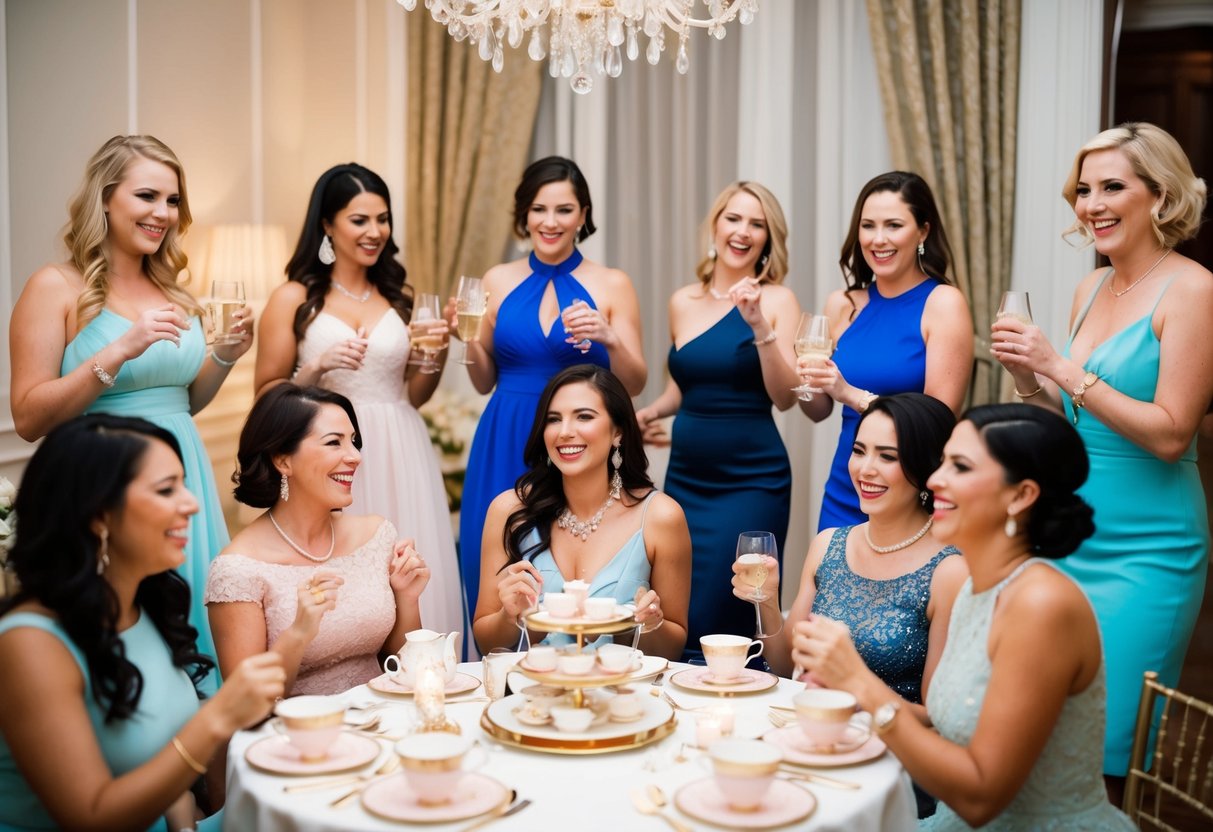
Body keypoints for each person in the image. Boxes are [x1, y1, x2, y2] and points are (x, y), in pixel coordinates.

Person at [992, 122, 1211, 784]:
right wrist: (1029, 374)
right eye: (1083, 190)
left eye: (1112, 186)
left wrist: (1059, 365)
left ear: (1161, 195)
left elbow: (1173, 433)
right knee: (1045, 730)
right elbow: (1066, 422)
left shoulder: (1195, 290)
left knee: (1104, 751)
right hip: (1071, 533)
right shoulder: (1088, 290)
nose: (1091, 205)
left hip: (1149, 548)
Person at [794, 405, 1135, 830]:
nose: (935, 479)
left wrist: (859, 681)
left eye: (960, 466)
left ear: (1020, 496)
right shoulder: (979, 587)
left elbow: (980, 798)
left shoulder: (1041, 604)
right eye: (943, 464)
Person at [8, 136, 252, 683]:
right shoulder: (56, 287)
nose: (162, 213)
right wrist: (119, 350)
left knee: (196, 633)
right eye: (147, 196)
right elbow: (27, 418)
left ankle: (203, 753)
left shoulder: (173, 290)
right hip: (107, 484)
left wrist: (224, 356)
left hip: (183, 470)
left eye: (172, 201)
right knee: (129, 637)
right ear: (106, 198)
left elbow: (182, 402)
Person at [0, 415, 284, 832]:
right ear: (98, 514)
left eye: (184, 484)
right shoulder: (29, 645)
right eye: (166, 489)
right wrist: (217, 718)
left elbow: (160, 770)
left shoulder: (144, 605)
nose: (192, 503)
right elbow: (89, 818)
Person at [255, 162, 462, 637]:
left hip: (400, 444)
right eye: (359, 220)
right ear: (327, 225)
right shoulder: (293, 297)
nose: (376, 232)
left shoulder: (399, 297)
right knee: (351, 586)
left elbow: (416, 393)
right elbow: (267, 395)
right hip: (330, 449)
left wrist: (438, 350)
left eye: (382, 219)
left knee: (408, 570)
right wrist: (316, 369)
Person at [454, 157, 646, 622]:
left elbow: (635, 382)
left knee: (563, 564)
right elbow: (482, 380)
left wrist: (609, 337)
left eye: (564, 210)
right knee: (494, 563)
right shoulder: (498, 279)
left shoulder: (612, 283)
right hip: (506, 431)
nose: (550, 222)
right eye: (539, 209)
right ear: (524, 214)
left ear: (583, 215)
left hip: (573, 437)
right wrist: (465, 339)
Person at [634, 182, 800, 659]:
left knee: (735, 599)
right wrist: (645, 413)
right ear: (715, 225)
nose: (742, 232)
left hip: (752, 478)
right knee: (681, 597)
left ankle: (739, 702)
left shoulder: (777, 301)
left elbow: (786, 397)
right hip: (686, 476)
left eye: (757, 224)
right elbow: (684, 387)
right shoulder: (682, 301)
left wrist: (759, 327)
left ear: (769, 239)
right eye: (734, 219)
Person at [206, 384, 429, 695]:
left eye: (353, 442)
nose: (355, 457)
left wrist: (407, 598)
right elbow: (244, 704)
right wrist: (299, 632)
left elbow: (403, 666)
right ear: (282, 460)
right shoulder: (237, 569)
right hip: (298, 737)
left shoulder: (376, 535)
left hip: (381, 722)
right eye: (333, 443)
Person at [473, 365, 689, 660]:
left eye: (584, 416)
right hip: (538, 696)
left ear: (618, 433)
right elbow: (487, 643)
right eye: (553, 419)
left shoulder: (660, 517)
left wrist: (652, 624)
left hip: (624, 696)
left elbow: (672, 648)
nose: (564, 432)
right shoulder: (509, 510)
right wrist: (508, 616)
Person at [799, 171, 973, 531]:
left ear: (923, 231)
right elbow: (817, 411)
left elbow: (937, 420)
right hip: (846, 487)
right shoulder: (842, 303)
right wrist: (805, 379)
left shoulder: (943, 303)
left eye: (893, 225)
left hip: (909, 490)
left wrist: (850, 393)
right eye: (868, 226)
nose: (878, 239)